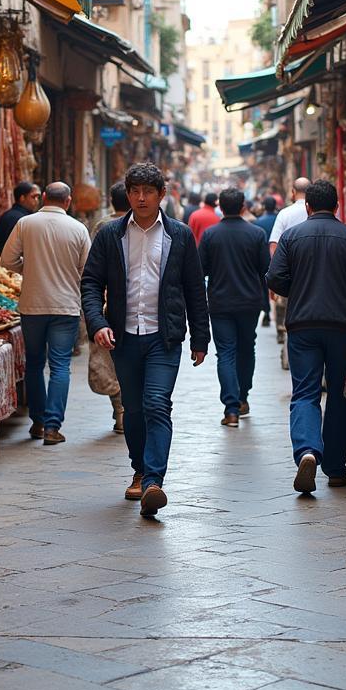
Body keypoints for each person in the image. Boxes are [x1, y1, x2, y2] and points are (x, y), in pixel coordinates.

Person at [80, 162, 210, 518]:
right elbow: (91, 282)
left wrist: (201, 336)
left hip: (163, 337)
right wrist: (97, 323)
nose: (140, 198)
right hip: (123, 337)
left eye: (148, 192)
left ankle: (153, 480)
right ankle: (139, 467)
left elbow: (194, 289)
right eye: (135, 191)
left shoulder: (179, 236)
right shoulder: (110, 235)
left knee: (156, 404)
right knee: (133, 410)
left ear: (161, 195)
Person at [266, 179, 346, 493]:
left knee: (304, 392)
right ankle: (336, 469)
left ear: (307, 207)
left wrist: (297, 290)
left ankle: (308, 451)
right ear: (336, 205)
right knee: (340, 395)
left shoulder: (291, 237)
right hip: (341, 326)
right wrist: (345, 290)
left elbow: (275, 278)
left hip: (302, 325)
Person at [1, 182, 91, 445]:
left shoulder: (26, 224)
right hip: (65, 307)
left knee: (35, 363)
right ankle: (53, 427)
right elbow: (87, 269)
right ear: (68, 201)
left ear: (43, 198)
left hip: (33, 305)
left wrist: (27, 271)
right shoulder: (78, 228)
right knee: (61, 365)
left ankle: (38, 422)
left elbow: (6, 260)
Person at [198, 188, 269, 426]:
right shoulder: (256, 234)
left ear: (220, 207)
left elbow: (201, 269)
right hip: (249, 303)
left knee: (226, 353)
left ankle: (231, 410)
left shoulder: (210, 235)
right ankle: (242, 398)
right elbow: (265, 270)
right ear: (242, 207)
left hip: (220, 303)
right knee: (246, 349)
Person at [88, 182, 130, 434]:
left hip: (106, 301)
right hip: (120, 303)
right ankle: (125, 409)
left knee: (109, 357)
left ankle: (121, 409)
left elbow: (92, 268)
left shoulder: (101, 226)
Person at [268, 177, 311, 368]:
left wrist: (277, 272)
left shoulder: (285, 214)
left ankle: (289, 359)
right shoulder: (318, 210)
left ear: (293, 192)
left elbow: (274, 245)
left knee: (290, 317)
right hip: (317, 275)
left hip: (291, 276)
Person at [0, 181, 40, 252]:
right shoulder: (23, 219)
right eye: (33, 197)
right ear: (22, 198)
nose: (37, 201)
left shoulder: (7, 214)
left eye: (38, 197)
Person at [255, 196, 278, 326]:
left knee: (264, 286)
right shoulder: (279, 218)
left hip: (263, 258)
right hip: (278, 256)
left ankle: (267, 312)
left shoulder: (258, 222)